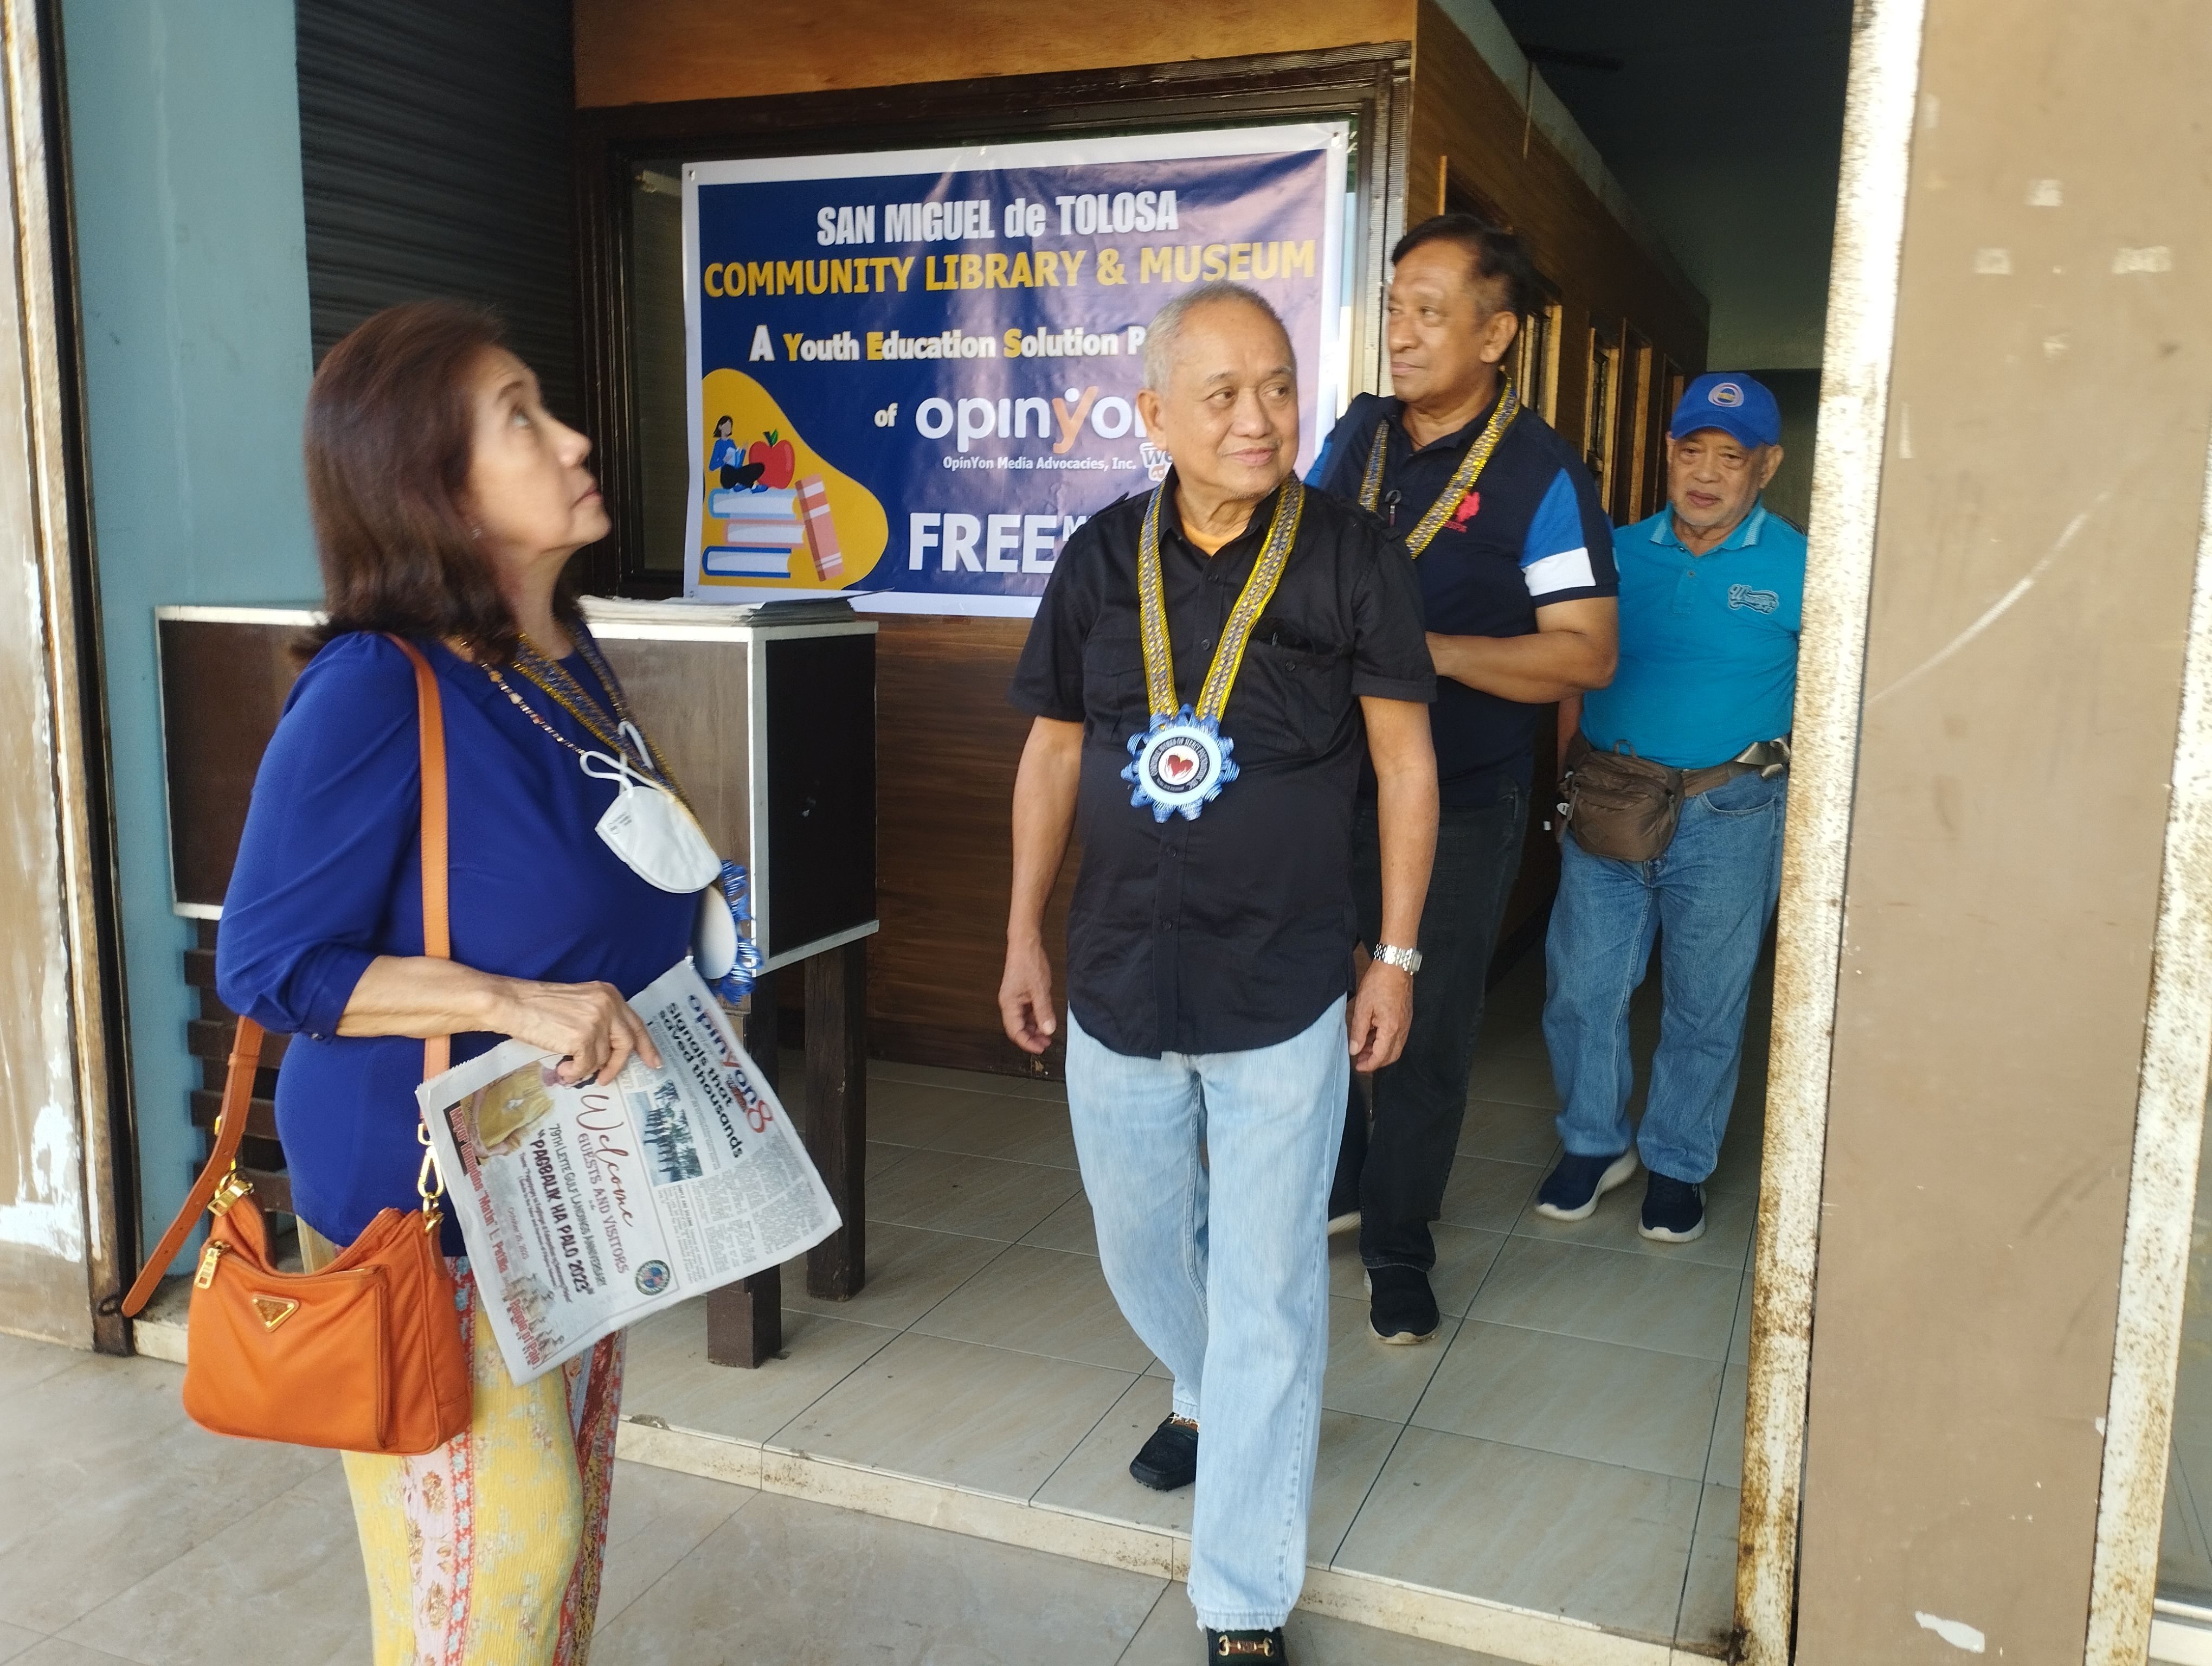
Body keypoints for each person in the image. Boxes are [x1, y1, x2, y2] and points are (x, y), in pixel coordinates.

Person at [217, 301, 696, 1664]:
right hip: (418, 1201)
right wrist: (510, 1002)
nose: (574, 438)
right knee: (497, 1563)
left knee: (560, 1555)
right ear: (433, 486)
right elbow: (268, 965)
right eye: (523, 419)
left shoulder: (559, 662)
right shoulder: (378, 685)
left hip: (562, 1176)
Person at [999, 281, 1438, 1663]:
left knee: (1271, 1290)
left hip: (1287, 980)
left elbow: (1403, 762)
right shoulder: (1099, 555)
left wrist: (1399, 952)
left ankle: (1241, 1597)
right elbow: (1057, 750)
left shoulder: (1353, 557)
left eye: (1280, 389)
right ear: (1154, 416)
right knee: (1138, 1245)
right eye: (1225, 395)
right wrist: (1022, 928)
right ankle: (1212, 1389)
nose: (1261, 420)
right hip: (1124, 973)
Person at [1308, 214, 1617, 1343]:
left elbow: (1585, 651)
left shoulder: (1541, 477)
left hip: (1462, 797)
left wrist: (1423, 655)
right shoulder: (1359, 438)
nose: (1401, 333)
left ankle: (1400, 1246)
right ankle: (1334, 1189)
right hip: (1327, 780)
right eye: (1393, 306)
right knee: (1314, 1000)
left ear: (1497, 336)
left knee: (1425, 1028)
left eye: (1429, 312)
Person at [1535, 372, 1802, 1241]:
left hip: (1733, 815)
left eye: (1732, 457)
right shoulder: (1612, 553)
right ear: (1669, 454)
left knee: (1706, 1002)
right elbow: (1569, 669)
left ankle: (1679, 1161)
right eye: (1694, 451)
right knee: (1584, 987)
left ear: (1767, 465)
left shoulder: (1802, 567)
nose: (1708, 473)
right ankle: (1592, 1142)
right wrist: (1565, 776)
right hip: (1611, 801)